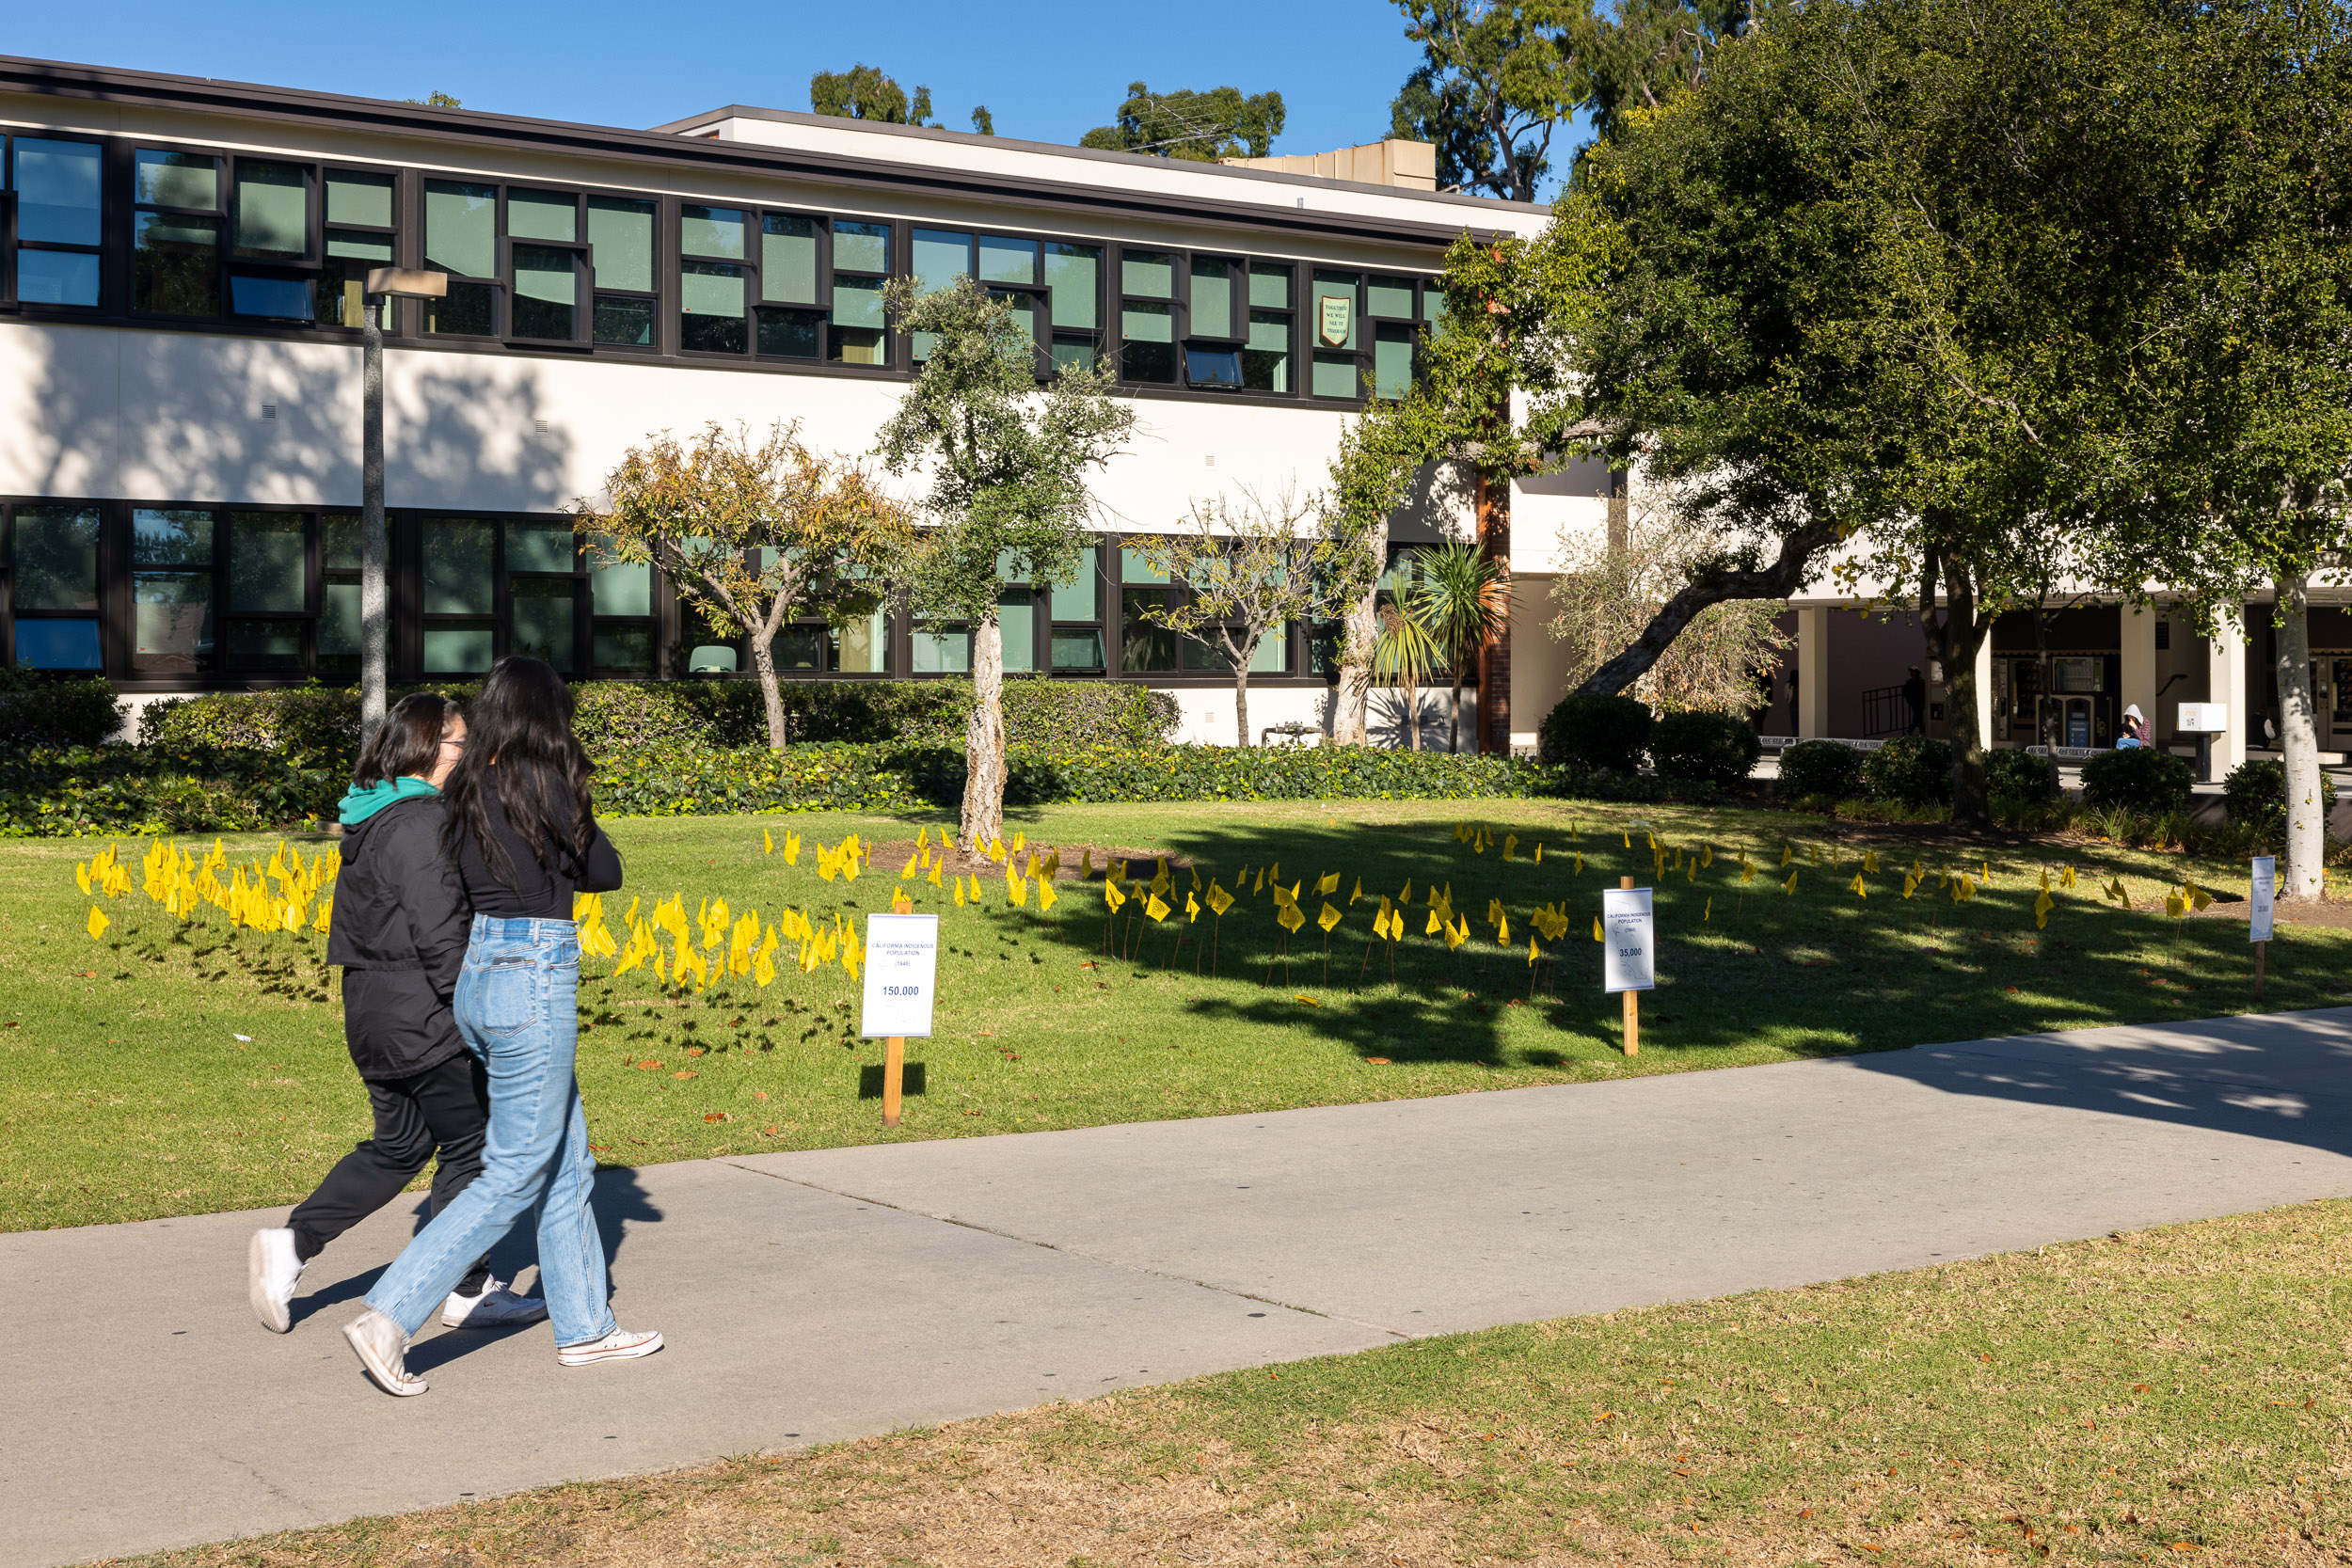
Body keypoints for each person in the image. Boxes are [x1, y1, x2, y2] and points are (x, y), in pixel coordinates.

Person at [342, 657, 660, 1396]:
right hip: (534, 967)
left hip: (482, 971)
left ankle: (585, 1328)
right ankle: (390, 1313)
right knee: (516, 1168)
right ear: (547, 715)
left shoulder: (470, 783)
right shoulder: (541, 780)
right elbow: (604, 869)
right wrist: (576, 811)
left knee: (567, 1159)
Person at [248, 694, 545, 1335]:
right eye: (464, 744)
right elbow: (440, 933)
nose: (471, 756)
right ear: (432, 747)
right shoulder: (418, 823)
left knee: (401, 1143)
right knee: (475, 1144)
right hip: (425, 1011)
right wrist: (480, 1015)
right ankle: (465, 1289)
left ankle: (292, 1244)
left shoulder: (376, 815)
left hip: (376, 1010)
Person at [1901, 666, 1927, 736]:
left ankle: (1911, 730)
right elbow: (1904, 690)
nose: (1912, 673)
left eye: (1913, 672)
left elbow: (1923, 693)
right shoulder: (1909, 682)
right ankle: (1922, 731)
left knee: (1917, 717)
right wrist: (1908, 698)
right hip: (1913, 702)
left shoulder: (1921, 681)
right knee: (1919, 717)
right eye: (1911, 672)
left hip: (1919, 702)